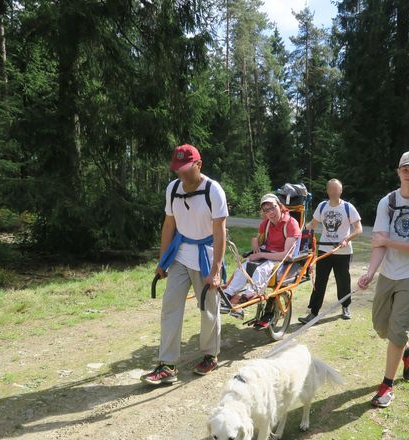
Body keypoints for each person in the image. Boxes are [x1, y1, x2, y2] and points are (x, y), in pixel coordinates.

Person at [357, 151, 409, 408]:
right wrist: (370, 272)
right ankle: (408, 351)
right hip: (388, 272)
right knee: (381, 327)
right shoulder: (388, 202)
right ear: (398, 171)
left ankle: (386, 386)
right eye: (405, 169)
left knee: (398, 329)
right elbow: (379, 243)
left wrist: (387, 241)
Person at [141, 144, 228, 386]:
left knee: (208, 308)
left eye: (186, 169)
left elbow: (220, 232)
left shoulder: (213, 190)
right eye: (178, 169)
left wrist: (216, 270)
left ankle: (210, 355)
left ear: (199, 165)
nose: (182, 174)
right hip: (180, 255)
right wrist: (163, 261)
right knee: (170, 306)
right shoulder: (173, 189)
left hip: (206, 255)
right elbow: (169, 225)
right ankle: (167, 364)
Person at [223, 193, 301, 330]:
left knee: (261, 270)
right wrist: (255, 243)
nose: (270, 212)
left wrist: (261, 255)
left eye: (273, 208)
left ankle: (247, 297)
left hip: (282, 259)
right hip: (267, 254)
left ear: (280, 206)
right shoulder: (265, 224)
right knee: (243, 267)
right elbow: (258, 239)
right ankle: (228, 295)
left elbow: (286, 256)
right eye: (266, 210)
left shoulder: (291, 224)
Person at [298, 179, 363, 324]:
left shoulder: (348, 207)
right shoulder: (322, 207)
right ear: (327, 191)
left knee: (343, 281)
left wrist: (347, 238)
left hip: (343, 251)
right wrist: (298, 232)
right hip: (324, 250)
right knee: (319, 282)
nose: (334, 192)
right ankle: (313, 312)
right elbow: (312, 224)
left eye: (337, 189)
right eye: (331, 189)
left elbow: (359, 229)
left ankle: (345, 307)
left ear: (341, 191)